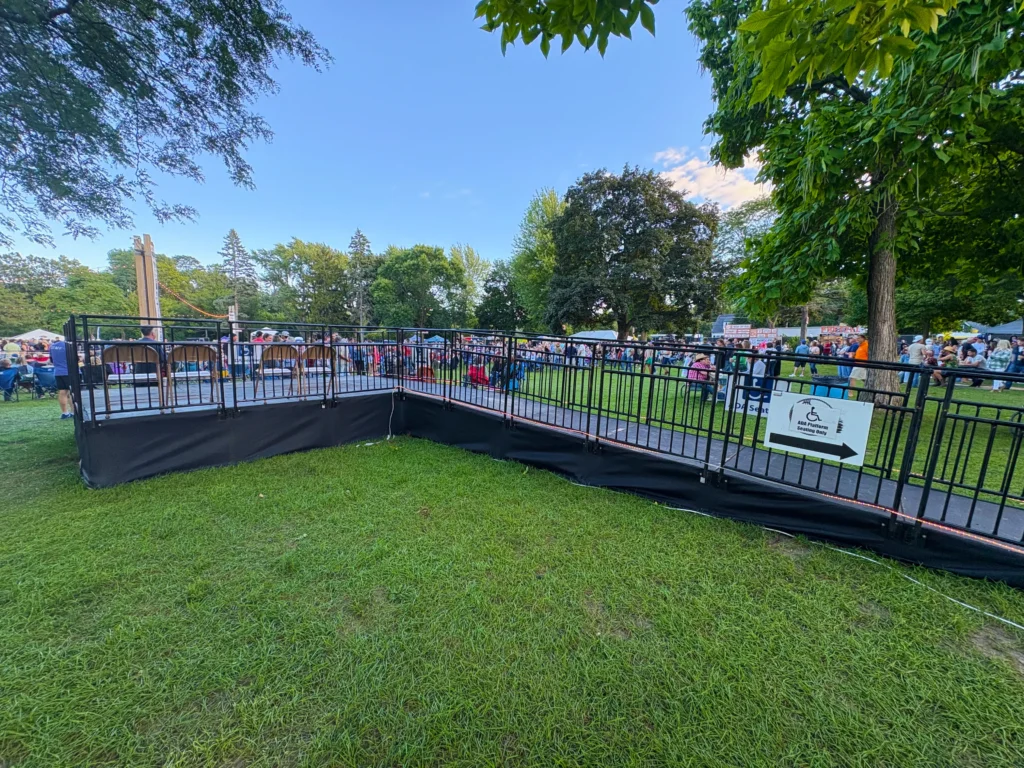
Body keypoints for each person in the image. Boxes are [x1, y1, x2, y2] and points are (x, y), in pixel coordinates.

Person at [48, 337, 74, 419]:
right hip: (69, 371)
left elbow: (51, 359)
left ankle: (64, 413)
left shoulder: (52, 346)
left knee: (62, 392)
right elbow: (74, 358)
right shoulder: (69, 346)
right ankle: (74, 412)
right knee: (72, 392)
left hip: (58, 371)